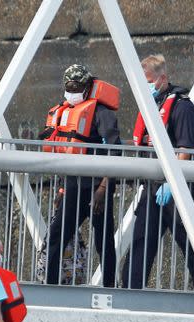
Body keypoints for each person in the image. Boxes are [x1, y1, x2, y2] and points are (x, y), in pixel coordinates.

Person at [121, 54, 194, 292]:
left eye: (148, 80)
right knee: (141, 240)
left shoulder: (182, 107)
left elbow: (185, 147)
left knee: (190, 242)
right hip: (152, 186)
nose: (145, 86)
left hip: (176, 188)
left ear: (163, 78)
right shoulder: (151, 108)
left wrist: (173, 182)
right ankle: (130, 290)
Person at [40, 64, 120, 287]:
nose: (72, 91)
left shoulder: (102, 114)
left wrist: (104, 188)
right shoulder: (66, 112)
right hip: (74, 186)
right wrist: (62, 190)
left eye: (77, 87)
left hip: (97, 188)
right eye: (69, 86)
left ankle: (110, 287)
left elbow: (115, 151)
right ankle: (51, 285)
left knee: (103, 240)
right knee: (57, 234)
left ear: (87, 87)